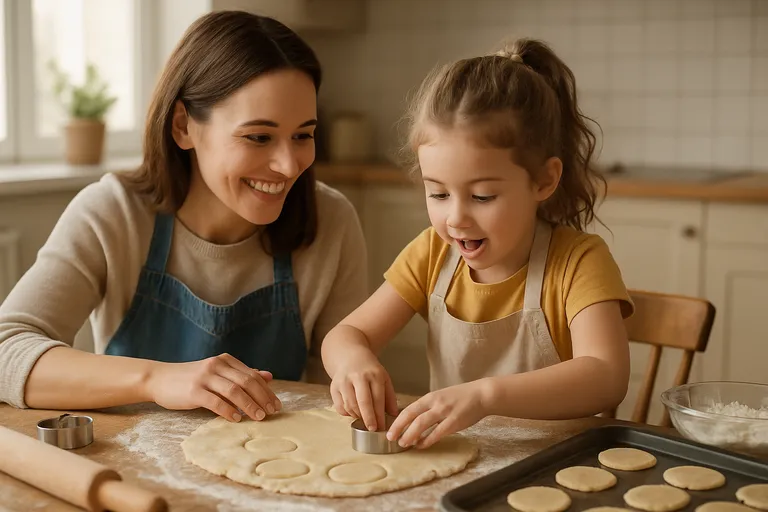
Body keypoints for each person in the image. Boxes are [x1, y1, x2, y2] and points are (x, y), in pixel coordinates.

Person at [0, 11, 367, 424]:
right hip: (131, 469)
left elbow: (332, 404)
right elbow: (6, 351)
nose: (287, 165)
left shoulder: (332, 221)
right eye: (258, 137)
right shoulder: (112, 213)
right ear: (183, 127)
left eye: (303, 135)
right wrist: (156, 380)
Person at [321, 38, 634, 449]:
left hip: (558, 465)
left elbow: (606, 377)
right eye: (438, 194)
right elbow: (345, 334)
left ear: (543, 180)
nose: (455, 218)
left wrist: (486, 396)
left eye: (482, 196)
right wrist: (353, 361)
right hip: (454, 465)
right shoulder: (432, 254)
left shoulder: (578, 262)